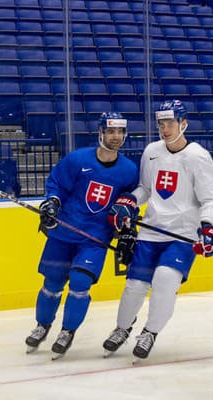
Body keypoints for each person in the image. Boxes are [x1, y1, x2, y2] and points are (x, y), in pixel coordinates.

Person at [102, 99, 213, 361]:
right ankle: (122, 328)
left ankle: (150, 332)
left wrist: (208, 227)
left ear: (184, 124)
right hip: (151, 230)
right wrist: (130, 201)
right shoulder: (152, 151)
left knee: (166, 279)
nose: (165, 128)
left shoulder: (197, 156)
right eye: (161, 123)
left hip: (183, 235)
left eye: (170, 122)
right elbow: (146, 188)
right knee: (134, 286)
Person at [24, 112, 139, 359]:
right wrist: (52, 203)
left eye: (120, 132)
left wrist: (127, 229)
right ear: (100, 132)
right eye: (111, 131)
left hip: (94, 240)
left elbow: (129, 203)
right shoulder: (77, 159)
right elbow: (56, 185)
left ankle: (67, 331)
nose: (116, 137)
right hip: (64, 233)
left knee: (80, 283)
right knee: (52, 283)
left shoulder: (129, 170)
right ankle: (42, 325)